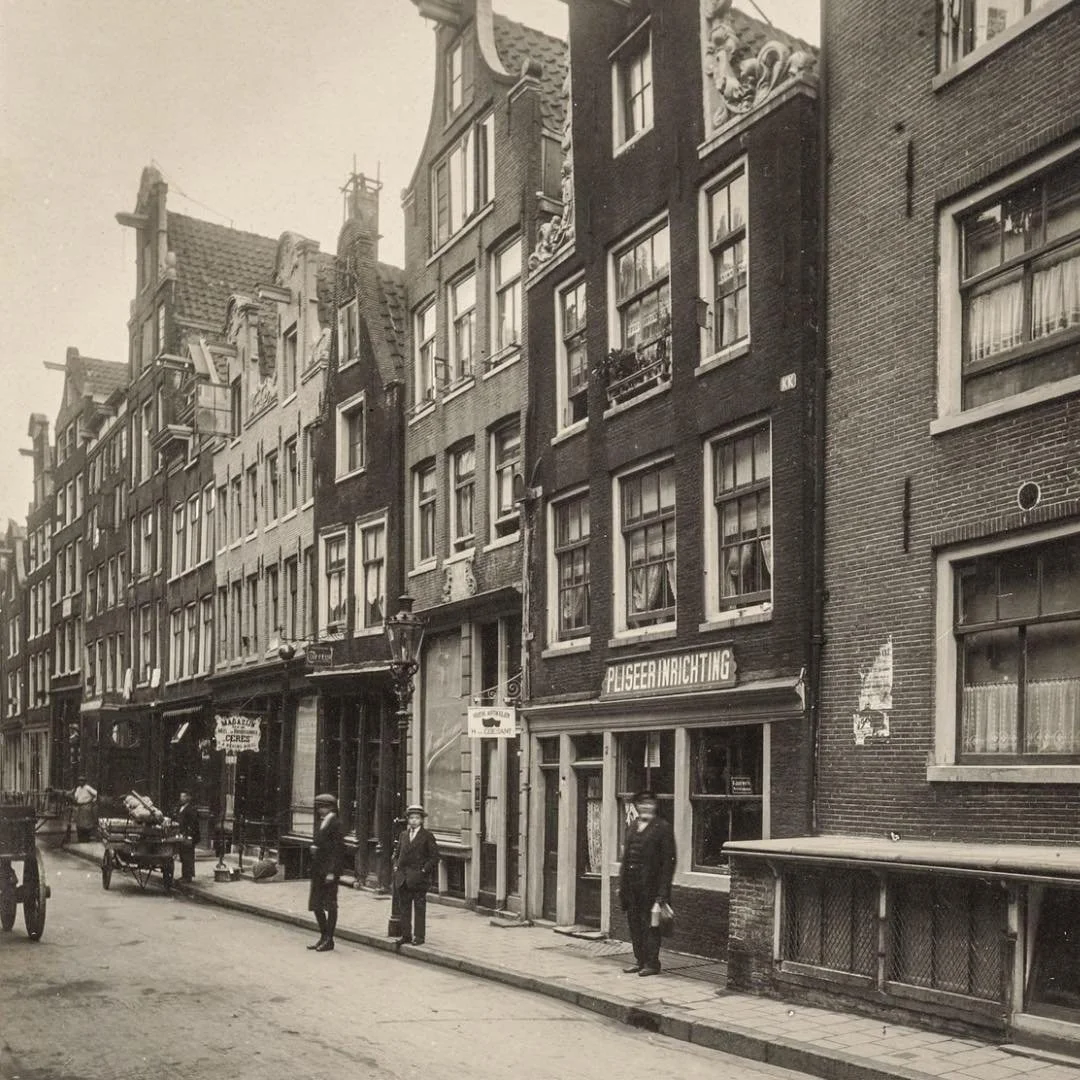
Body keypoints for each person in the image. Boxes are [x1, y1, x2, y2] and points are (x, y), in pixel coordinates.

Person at [618, 791, 676, 977]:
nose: (646, 807)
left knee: (651, 925)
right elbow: (626, 859)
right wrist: (622, 884)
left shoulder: (663, 828)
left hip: (651, 888)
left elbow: (668, 863)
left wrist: (662, 894)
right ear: (637, 806)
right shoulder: (633, 826)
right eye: (642, 804)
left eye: (650, 804)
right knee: (634, 924)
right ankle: (639, 960)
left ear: (655, 806)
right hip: (632, 887)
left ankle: (652, 963)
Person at [393, 804, 438, 946]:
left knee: (419, 908)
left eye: (417, 818)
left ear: (422, 820)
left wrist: (423, 871)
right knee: (404, 908)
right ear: (407, 819)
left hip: (418, 879)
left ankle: (419, 936)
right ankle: (406, 935)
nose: (413, 821)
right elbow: (397, 853)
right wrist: (396, 866)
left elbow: (434, 857)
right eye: (411, 818)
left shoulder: (427, 836)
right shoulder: (403, 835)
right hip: (403, 878)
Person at [307, 793, 345, 952]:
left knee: (330, 905)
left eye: (321, 807)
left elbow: (338, 850)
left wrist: (332, 872)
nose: (319, 810)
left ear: (329, 807)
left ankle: (329, 939)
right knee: (316, 905)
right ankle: (323, 936)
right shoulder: (321, 822)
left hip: (329, 872)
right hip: (318, 870)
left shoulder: (336, 823)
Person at [175, 791, 200, 882]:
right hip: (182, 835)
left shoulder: (191, 809)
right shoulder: (181, 808)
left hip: (188, 836)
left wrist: (189, 835)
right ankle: (184, 875)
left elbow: (193, 823)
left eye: (183, 796)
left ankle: (187, 876)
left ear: (188, 798)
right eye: (181, 796)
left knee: (188, 856)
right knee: (183, 855)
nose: (181, 798)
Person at [70, 776, 98, 843]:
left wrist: (93, 801)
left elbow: (96, 793)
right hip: (80, 807)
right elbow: (76, 797)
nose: (80, 782)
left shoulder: (87, 788)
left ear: (85, 781)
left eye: (82, 781)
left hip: (87, 806)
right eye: (79, 781)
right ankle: (81, 839)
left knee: (86, 823)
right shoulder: (78, 788)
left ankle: (86, 838)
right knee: (79, 823)